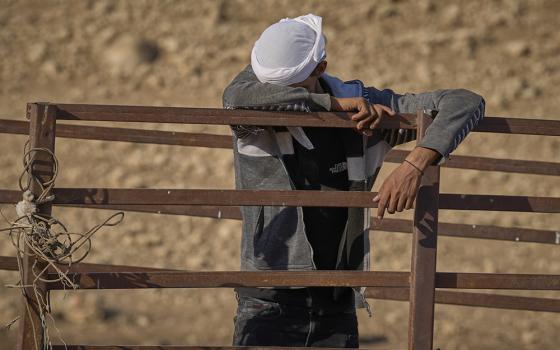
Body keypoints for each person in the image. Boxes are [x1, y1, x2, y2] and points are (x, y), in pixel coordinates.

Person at [222, 14, 485, 348]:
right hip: (269, 294)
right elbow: (235, 97)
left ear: (321, 68)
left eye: (289, 89)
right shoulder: (253, 106)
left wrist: (414, 164)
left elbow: (466, 102)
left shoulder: (369, 110)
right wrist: (331, 105)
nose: (276, 96)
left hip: (338, 297)